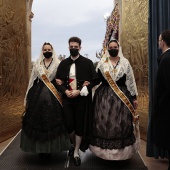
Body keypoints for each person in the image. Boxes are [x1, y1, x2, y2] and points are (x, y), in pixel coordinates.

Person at [89, 39, 140, 160]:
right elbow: (97, 79)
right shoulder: (102, 62)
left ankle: (120, 154)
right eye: (111, 47)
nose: (113, 49)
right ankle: (104, 153)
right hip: (103, 97)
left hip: (122, 96)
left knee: (120, 123)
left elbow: (130, 80)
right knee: (104, 122)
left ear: (119, 48)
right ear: (107, 49)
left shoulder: (125, 62)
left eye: (115, 47)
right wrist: (88, 85)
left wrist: (134, 97)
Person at [20, 42, 71, 158]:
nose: (47, 51)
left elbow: (64, 78)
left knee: (52, 121)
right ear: (42, 51)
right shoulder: (37, 64)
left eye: (49, 49)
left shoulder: (58, 63)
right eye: (45, 49)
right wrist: (27, 96)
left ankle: (52, 148)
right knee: (38, 121)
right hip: (37, 96)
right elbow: (32, 79)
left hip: (53, 95)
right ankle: (40, 149)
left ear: (52, 50)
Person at [55, 36, 99, 166]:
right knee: (69, 124)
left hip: (81, 99)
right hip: (67, 99)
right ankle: (75, 146)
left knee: (79, 125)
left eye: (76, 46)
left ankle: (75, 152)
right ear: (68, 47)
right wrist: (65, 90)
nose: (73, 48)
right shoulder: (63, 63)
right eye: (71, 46)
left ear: (80, 47)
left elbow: (96, 80)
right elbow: (57, 81)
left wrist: (81, 90)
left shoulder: (88, 62)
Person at [151, 30, 170, 170]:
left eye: (159, 39)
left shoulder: (167, 58)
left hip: (166, 107)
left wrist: (160, 104)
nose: (158, 42)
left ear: (163, 41)